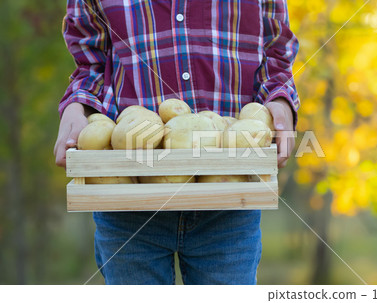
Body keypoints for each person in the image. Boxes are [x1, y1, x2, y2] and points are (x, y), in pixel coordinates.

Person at [54, 0, 299, 285]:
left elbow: (276, 52)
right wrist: (77, 106)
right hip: (128, 196)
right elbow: (90, 63)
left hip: (229, 196)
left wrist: (280, 100)